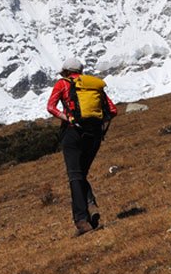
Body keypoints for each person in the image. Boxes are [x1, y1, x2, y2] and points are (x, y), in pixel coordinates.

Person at [46, 57, 118, 236]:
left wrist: (68, 118)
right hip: (93, 135)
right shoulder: (93, 85)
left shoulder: (62, 84)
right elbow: (112, 110)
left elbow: (51, 107)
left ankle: (82, 221)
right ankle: (90, 204)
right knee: (81, 174)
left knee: (75, 176)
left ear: (66, 71)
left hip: (72, 133)